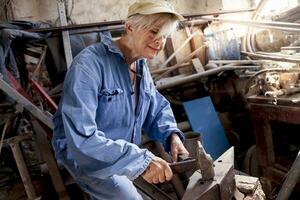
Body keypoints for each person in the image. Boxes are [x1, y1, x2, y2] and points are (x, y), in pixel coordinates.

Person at [52, 0, 188, 199]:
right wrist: (140, 160)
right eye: (154, 32)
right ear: (130, 27)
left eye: (165, 36)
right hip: (86, 156)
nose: (160, 41)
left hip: (119, 151)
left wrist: (172, 136)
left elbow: (154, 107)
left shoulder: (139, 64)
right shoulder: (89, 65)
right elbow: (83, 139)